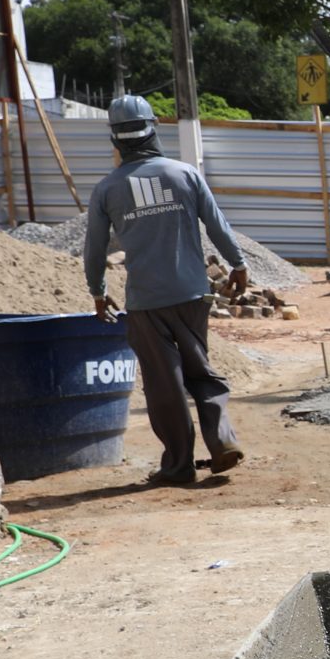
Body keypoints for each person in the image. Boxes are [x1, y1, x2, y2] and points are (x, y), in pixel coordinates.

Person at [84, 96, 249, 485]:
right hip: (192, 295)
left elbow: (93, 248)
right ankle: (222, 440)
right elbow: (217, 225)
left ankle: (178, 466)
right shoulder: (185, 174)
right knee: (201, 372)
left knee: (164, 385)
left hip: (146, 303)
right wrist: (239, 265)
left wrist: (97, 290)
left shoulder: (108, 189)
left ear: (115, 138)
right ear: (153, 128)